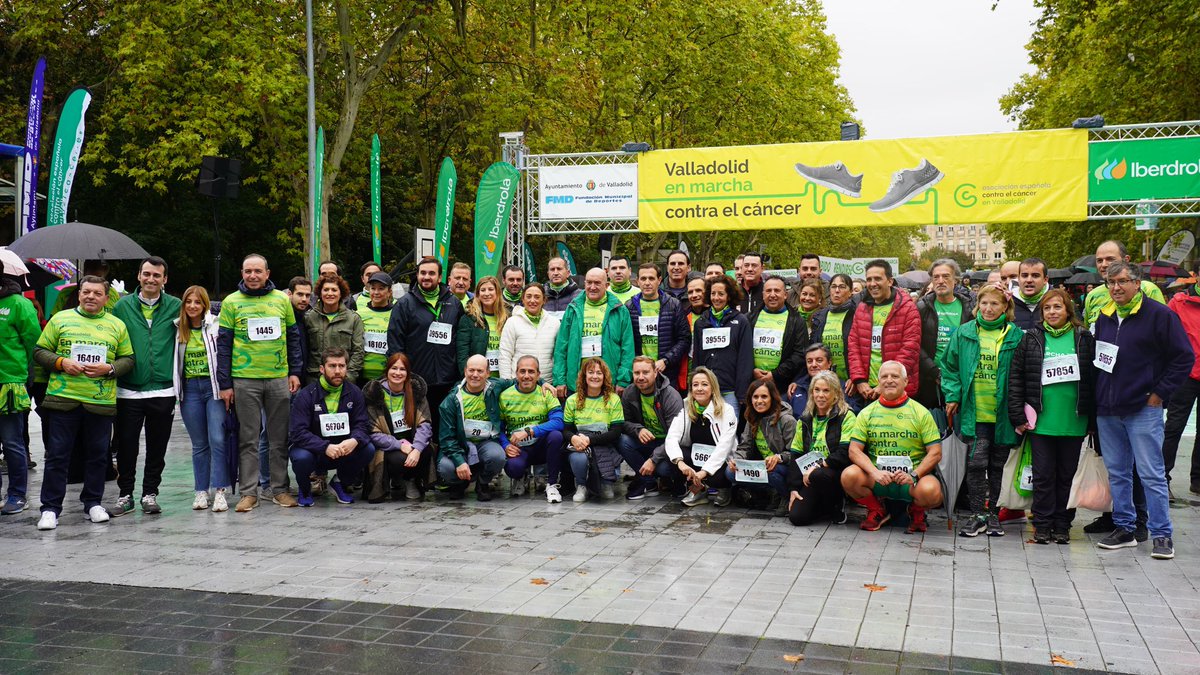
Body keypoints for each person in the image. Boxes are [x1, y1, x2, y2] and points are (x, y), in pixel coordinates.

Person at [1092, 262, 1192, 560]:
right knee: (1118, 473)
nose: (1116, 287)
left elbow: (1184, 357)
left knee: (1151, 474)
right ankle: (1125, 528)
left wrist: (1160, 393)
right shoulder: (1106, 315)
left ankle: (1163, 535)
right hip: (1108, 409)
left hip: (1142, 409)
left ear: (1138, 283)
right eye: (1111, 282)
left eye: (1123, 281)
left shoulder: (1159, 315)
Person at [34, 276, 134, 530]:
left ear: (105, 297)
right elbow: (39, 351)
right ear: (79, 294)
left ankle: (93, 503)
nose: (91, 296)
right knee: (57, 456)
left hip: (98, 402)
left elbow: (128, 360)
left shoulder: (117, 325)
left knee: (98, 456)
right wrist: (61, 363)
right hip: (63, 400)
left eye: (97, 293)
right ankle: (50, 508)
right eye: (86, 292)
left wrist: (109, 368)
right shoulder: (60, 319)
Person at [1008, 289, 1095, 544]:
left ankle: (1063, 525)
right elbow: (1017, 378)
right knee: (1044, 475)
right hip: (1041, 421)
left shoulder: (1083, 337)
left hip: (1074, 421)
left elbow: (1093, 379)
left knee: (1066, 475)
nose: (1052, 312)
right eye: (1047, 308)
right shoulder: (1032, 338)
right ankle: (1043, 524)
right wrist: (1017, 415)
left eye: (1057, 307)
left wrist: (1093, 419)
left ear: (1068, 310)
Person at [218, 254, 303, 512]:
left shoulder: (281, 300)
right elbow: (224, 345)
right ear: (242, 273)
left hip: (278, 378)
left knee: (278, 438)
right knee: (248, 439)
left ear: (267, 273)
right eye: (247, 271)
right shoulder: (231, 303)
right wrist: (225, 384)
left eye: (257, 271)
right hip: (244, 380)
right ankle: (248, 493)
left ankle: (279, 489)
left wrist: (295, 371)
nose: (252, 276)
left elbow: (293, 338)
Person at [939, 283, 1023, 537]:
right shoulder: (965, 332)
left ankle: (994, 515)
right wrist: (952, 395)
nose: (988, 309)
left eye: (994, 304)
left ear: (1005, 307)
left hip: (1003, 414)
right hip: (974, 412)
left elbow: (1023, 373)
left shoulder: (1015, 335)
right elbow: (950, 366)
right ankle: (977, 514)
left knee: (998, 465)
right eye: (984, 303)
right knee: (976, 463)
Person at [110, 256, 182, 517]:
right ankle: (125, 494)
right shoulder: (122, 306)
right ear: (139, 276)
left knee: (157, 446)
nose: (151, 279)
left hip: (163, 389)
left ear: (165, 279)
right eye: (147, 274)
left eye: (157, 275)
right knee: (127, 445)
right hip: (129, 389)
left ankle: (150, 493)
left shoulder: (176, 305)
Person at [841, 361, 943, 532]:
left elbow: (935, 453)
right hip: (879, 478)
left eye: (895, 376)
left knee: (932, 491)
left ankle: (916, 512)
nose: (889, 380)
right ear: (878, 382)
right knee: (848, 476)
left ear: (905, 381)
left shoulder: (921, 412)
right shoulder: (867, 413)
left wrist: (914, 475)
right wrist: (875, 473)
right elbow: (854, 450)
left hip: (911, 481)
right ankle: (877, 509)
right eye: (884, 377)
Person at [387, 257, 465, 441]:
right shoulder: (405, 304)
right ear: (417, 275)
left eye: (431, 273)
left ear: (440, 277)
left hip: (447, 379)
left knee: (444, 428)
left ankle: (441, 466)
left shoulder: (453, 303)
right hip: (417, 380)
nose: (426, 277)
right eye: (423, 273)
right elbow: (395, 342)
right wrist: (402, 374)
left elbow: (460, 340)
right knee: (419, 429)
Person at [288, 348, 372, 506]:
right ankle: (304, 489)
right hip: (313, 451)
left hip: (342, 449)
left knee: (368, 449)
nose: (338, 371)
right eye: (332, 366)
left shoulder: (355, 393)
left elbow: (362, 424)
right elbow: (297, 432)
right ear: (322, 369)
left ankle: (340, 482)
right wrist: (324, 447)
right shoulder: (305, 395)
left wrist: (354, 439)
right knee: (301, 457)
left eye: (342, 366)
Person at [174, 285, 229, 512]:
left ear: (205, 304)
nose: (192, 306)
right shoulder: (177, 329)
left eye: (197, 302)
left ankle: (220, 490)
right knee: (199, 444)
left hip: (213, 388)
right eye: (188, 302)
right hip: (190, 390)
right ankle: (200, 490)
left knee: (217, 439)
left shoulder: (215, 325)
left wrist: (227, 386)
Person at [437, 354, 511, 501]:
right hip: (460, 444)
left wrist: (543, 383)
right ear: (465, 371)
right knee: (445, 467)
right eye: (471, 370)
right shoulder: (451, 400)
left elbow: (519, 381)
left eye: (480, 371)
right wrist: (459, 462)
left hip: (486, 442)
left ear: (488, 373)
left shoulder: (495, 387)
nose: (475, 375)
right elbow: (446, 438)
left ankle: (483, 483)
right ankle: (459, 483)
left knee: (498, 457)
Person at [787, 370, 856, 526]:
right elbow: (795, 454)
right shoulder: (805, 418)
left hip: (834, 471)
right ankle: (823, 507)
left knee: (819, 475)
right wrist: (793, 488)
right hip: (809, 475)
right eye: (817, 390)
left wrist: (818, 467)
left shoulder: (846, 415)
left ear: (836, 393)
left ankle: (837, 505)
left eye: (826, 390)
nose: (820, 395)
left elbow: (845, 453)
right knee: (797, 518)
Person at [552, 268, 635, 395]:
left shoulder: (620, 310)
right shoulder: (573, 308)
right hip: (577, 382)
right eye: (589, 282)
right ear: (584, 283)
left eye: (597, 283)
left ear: (607, 285)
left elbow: (627, 349)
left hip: (608, 382)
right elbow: (561, 347)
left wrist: (623, 381)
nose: (592, 287)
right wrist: (559, 380)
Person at [848, 259, 921, 402]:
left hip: (897, 390)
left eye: (877, 279)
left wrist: (886, 383)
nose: (872, 284)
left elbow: (910, 349)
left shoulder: (907, 308)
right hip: (867, 390)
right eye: (869, 279)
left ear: (889, 281)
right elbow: (853, 345)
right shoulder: (862, 308)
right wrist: (859, 380)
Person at [661, 367, 736, 506]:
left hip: (720, 462)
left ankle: (724, 489)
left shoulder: (727, 410)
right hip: (697, 457)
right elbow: (671, 438)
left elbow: (724, 447)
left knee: (719, 476)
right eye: (695, 385)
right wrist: (681, 463)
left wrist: (704, 472)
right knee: (670, 454)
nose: (699, 388)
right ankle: (699, 490)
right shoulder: (685, 408)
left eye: (704, 384)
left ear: (713, 388)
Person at [362, 352, 431, 501]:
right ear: (387, 371)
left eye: (402, 369)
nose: (398, 373)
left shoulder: (416, 393)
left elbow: (425, 425)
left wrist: (417, 448)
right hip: (388, 446)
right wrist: (398, 444)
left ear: (408, 373)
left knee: (426, 451)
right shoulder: (375, 394)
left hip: (412, 441)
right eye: (394, 368)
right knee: (398, 459)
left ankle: (411, 480)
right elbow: (372, 433)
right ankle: (396, 479)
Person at [0, 273, 41, 515]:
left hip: (10, 384)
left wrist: (27, 378)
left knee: (12, 442)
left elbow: (34, 345)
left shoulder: (19, 303)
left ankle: (17, 494)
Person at [498, 355, 565, 502]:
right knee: (514, 468)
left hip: (541, 445)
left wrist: (530, 431)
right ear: (516, 374)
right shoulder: (505, 396)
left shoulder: (546, 393)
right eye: (522, 371)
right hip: (519, 448)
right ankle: (521, 478)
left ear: (538, 375)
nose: (526, 376)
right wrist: (505, 445)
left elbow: (559, 422)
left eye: (531, 371)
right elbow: (498, 428)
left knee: (556, 436)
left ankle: (552, 484)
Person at [726, 378, 795, 515]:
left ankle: (786, 496)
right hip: (763, 465)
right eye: (755, 397)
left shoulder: (787, 420)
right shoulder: (752, 417)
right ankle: (773, 491)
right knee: (730, 472)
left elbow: (797, 452)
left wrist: (779, 457)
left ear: (772, 398)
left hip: (784, 467)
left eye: (764, 396)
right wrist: (736, 460)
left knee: (773, 471)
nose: (759, 401)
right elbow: (744, 447)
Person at [619, 356, 684, 500]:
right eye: (637, 373)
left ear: (655, 372)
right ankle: (648, 482)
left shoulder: (671, 396)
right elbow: (624, 422)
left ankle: (666, 478)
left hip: (668, 444)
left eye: (645, 372)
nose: (640, 377)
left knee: (663, 469)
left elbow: (676, 437)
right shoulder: (629, 392)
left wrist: (654, 460)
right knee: (622, 440)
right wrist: (638, 429)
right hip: (647, 442)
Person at [690, 275, 753, 418]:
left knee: (728, 433)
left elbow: (745, 359)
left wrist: (742, 393)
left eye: (721, 294)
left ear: (729, 296)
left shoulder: (741, 321)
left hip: (730, 391)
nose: (716, 298)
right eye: (713, 293)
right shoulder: (700, 322)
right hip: (706, 391)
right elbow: (697, 358)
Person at [562, 357, 624, 501]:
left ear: (605, 377)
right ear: (584, 376)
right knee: (578, 458)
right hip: (580, 445)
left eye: (599, 373)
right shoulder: (572, 400)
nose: (595, 376)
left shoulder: (613, 399)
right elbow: (566, 430)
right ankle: (581, 485)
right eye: (590, 372)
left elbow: (616, 431)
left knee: (607, 496)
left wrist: (590, 440)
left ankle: (606, 482)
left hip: (605, 444)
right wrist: (574, 438)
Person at [915, 259, 974, 412]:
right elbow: (915, 343)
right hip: (930, 379)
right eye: (936, 277)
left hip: (960, 378)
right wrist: (934, 371)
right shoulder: (922, 307)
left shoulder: (969, 308)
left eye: (946, 276)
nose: (940, 281)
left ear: (956, 280)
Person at [1164, 272, 1200, 495]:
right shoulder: (1178, 302)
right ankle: (1162, 477)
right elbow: (1165, 336)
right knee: (1174, 427)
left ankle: (1197, 480)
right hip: (1185, 375)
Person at [626, 262, 689, 385]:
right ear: (637, 281)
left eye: (651, 278)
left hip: (666, 373)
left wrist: (666, 360)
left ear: (659, 280)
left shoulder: (673, 305)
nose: (647, 283)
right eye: (643, 279)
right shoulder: (629, 307)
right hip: (639, 374)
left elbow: (684, 339)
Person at [1083, 240, 1165, 328]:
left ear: (1126, 260)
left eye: (1110, 259)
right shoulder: (1093, 295)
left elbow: (1164, 327)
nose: (1103, 265)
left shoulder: (1148, 289)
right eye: (1099, 261)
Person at [750, 275, 808, 393]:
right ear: (763, 294)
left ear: (785, 294)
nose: (772, 295)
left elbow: (799, 354)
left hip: (782, 386)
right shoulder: (749, 318)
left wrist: (775, 374)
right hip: (752, 384)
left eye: (777, 291)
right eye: (768, 291)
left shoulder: (797, 321)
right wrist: (752, 370)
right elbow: (741, 351)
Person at [304, 274, 365, 384]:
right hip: (314, 378)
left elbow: (358, 351)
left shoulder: (353, 319)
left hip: (343, 379)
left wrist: (349, 375)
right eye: (326, 290)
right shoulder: (309, 317)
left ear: (341, 293)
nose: (330, 293)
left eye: (334, 290)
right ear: (320, 293)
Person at [499, 283, 560, 380]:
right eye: (528, 296)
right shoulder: (512, 322)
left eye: (537, 297)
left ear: (544, 300)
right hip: (519, 384)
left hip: (547, 383)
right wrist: (507, 382)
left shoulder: (555, 323)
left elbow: (558, 356)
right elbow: (505, 355)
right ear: (523, 299)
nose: (532, 300)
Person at [457, 276, 509, 377]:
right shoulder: (469, 318)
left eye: (490, 289)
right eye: (483, 290)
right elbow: (462, 353)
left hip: (503, 376)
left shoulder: (507, 317)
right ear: (478, 294)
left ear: (497, 292)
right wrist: (469, 377)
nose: (487, 293)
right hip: (478, 378)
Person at [809, 273, 856, 383]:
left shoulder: (857, 315)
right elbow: (812, 349)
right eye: (834, 286)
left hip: (850, 382)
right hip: (824, 381)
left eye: (842, 287)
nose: (837, 290)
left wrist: (856, 379)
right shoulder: (819, 316)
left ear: (850, 292)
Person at [355, 271, 394, 383]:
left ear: (389, 292)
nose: (376, 292)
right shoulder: (358, 314)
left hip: (388, 378)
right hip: (362, 377)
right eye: (373, 288)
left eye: (381, 288)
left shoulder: (396, 313)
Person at [678, 276, 709, 392]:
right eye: (690, 292)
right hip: (687, 377)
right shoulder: (683, 316)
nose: (694, 295)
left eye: (698, 291)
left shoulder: (715, 316)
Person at [286, 277, 313, 383]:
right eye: (300, 294)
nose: (304, 299)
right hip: (287, 377)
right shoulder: (281, 317)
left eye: (307, 295)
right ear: (289, 294)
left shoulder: (309, 316)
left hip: (305, 375)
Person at [1011, 258, 1049, 330]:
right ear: (1018, 278)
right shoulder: (1007, 303)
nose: (1029, 280)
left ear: (1045, 280)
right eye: (1024, 275)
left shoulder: (1061, 301)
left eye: (1035, 276)